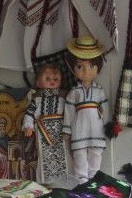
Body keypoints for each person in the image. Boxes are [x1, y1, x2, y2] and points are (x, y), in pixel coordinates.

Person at [63, 36, 108, 183]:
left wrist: (109, 126)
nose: (86, 71)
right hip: (79, 127)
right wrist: (67, 130)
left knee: (96, 153)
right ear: (73, 68)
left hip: (96, 128)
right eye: (80, 67)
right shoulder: (74, 92)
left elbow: (105, 109)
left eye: (91, 66)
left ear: (98, 67)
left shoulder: (99, 91)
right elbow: (69, 112)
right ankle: (81, 180)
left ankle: (94, 179)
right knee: (79, 153)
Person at [22, 62, 68, 183]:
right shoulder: (36, 99)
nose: (52, 81)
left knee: (63, 156)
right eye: (47, 79)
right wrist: (28, 126)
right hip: (42, 131)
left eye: (55, 79)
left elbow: (69, 114)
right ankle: (45, 182)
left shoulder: (63, 98)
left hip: (60, 131)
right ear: (38, 82)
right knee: (43, 157)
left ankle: (62, 182)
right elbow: (29, 113)